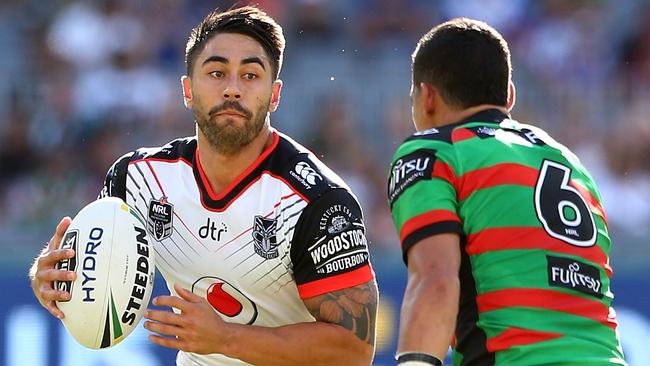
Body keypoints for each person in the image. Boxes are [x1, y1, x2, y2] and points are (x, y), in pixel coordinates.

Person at [29, 6, 377, 365]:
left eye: (250, 75)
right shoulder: (137, 179)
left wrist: (226, 338)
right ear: (188, 89)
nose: (231, 89)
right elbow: (88, 263)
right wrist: (48, 277)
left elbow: (355, 350)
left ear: (274, 95)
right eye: (216, 72)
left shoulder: (317, 201)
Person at [387, 18, 626, 366]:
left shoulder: (435, 150)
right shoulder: (571, 162)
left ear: (427, 98)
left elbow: (435, 279)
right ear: (510, 95)